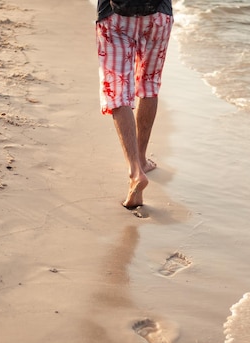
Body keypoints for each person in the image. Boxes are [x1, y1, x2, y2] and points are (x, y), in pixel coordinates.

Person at [95, 0, 173, 209]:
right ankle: (142, 158)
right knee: (149, 85)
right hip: (158, 17)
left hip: (114, 16)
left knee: (117, 87)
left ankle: (135, 170)